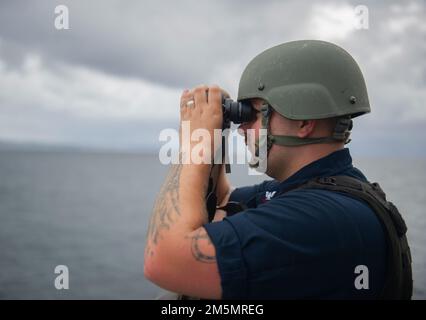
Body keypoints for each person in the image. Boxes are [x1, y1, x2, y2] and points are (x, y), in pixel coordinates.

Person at [144, 40, 412, 299]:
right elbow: (221, 204)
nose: (242, 128)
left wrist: (194, 144)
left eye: (253, 114)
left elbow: (164, 260)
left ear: (303, 120)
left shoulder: (322, 216)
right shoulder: (309, 191)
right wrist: (214, 134)